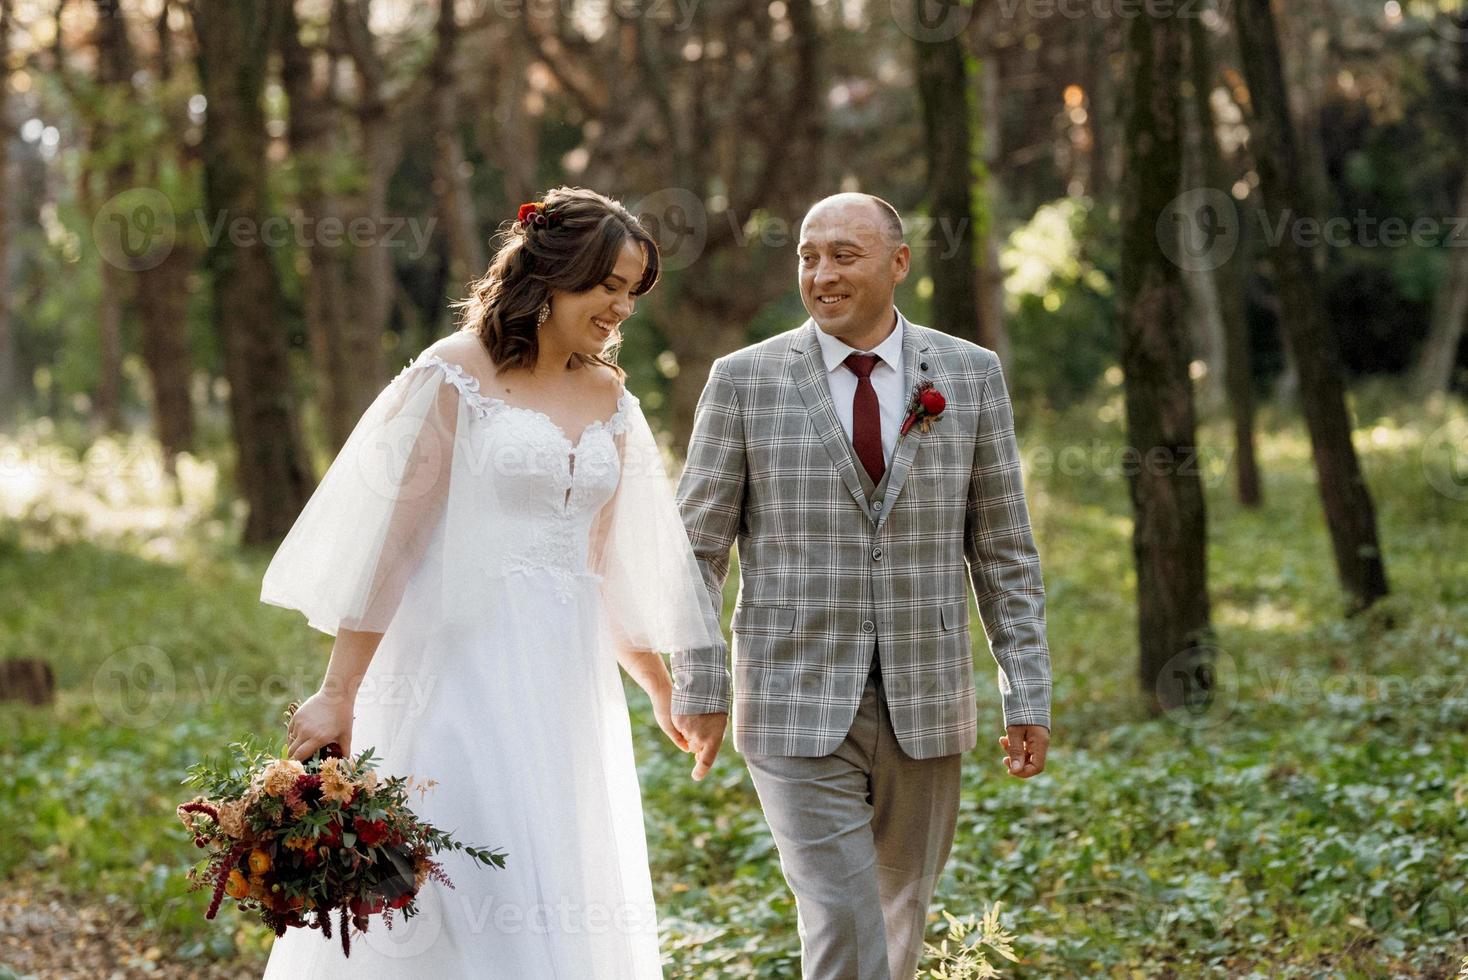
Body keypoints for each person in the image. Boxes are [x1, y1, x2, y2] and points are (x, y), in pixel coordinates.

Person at [258, 186, 715, 978]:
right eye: (609, 285)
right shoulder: (453, 375)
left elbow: (600, 563)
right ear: (554, 273)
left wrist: (655, 680)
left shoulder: (610, 396)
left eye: (631, 292)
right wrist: (339, 692)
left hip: (565, 688)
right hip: (456, 674)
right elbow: (390, 548)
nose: (621, 308)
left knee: (557, 880)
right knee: (454, 882)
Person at [672, 192, 1054, 980]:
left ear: (898, 263)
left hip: (927, 699)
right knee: (845, 921)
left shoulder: (970, 376)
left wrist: (1027, 691)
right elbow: (693, 550)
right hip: (789, 697)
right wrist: (699, 682)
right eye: (809, 257)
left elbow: (1005, 549)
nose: (821, 274)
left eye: (845, 255)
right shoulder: (743, 382)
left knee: (898, 918)